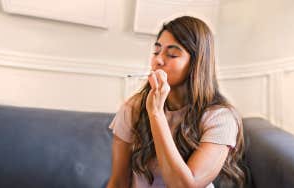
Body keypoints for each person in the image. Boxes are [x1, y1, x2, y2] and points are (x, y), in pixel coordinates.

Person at [106, 16, 247, 188]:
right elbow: (118, 182)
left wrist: (156, 114)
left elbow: (185, 185)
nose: (158, 60)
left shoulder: (221, 118)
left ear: (196, 63)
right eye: (156, 52)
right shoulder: (133, 108)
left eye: (172, 54)